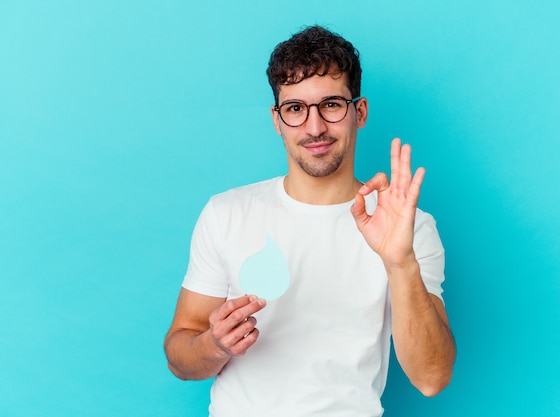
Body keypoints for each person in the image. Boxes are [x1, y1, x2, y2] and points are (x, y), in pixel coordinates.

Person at [164, 25, 456, 416]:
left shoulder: (410, 228)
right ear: (277, 119)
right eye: (296, 108)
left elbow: (431, 377)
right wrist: (214, 345)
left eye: (332, 104)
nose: (315, 127)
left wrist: (399, 261)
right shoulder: (226, 213)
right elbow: (179, 356)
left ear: (360, 112)